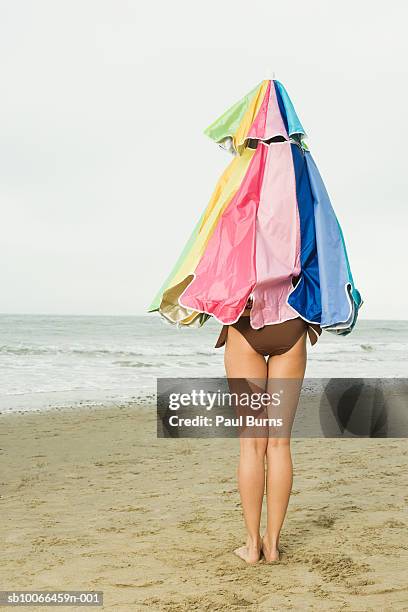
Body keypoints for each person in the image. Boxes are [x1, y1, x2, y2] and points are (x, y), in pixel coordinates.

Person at [214, 293, 321, 564]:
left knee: (251, 444)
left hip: (245, 321)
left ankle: (252, 546)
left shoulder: (235, 245)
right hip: (290, 320)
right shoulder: (301, 245)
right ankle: (272, 545)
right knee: (278, 443)